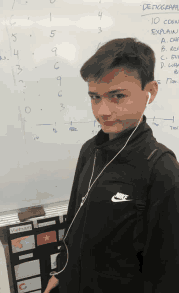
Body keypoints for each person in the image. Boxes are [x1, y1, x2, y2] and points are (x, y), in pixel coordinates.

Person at [44, 37, 179, 293]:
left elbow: (168, 270)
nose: (103, 111)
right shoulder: (90, 150)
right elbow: (74, 220)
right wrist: (60, 271)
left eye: (117, 96)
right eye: (95, 97)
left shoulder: (162, 170)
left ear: (151, 91)